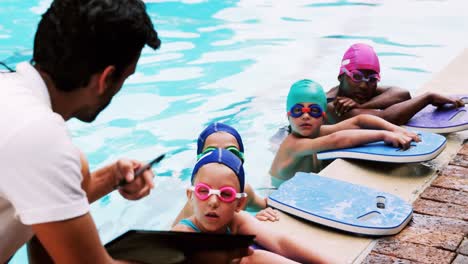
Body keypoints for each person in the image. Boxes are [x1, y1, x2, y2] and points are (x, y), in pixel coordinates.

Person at [0, 0, 161, 262]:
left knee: (78, 164)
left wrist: (111, 177)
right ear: (106, 79)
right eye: (125, 78)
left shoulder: (9, 91)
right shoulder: (38, 136)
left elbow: (50, 192)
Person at [173, 149, 328, 264]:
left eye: (226, 194)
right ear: (190, 196)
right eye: (203, 191)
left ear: (239, 204)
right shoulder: (182, 236)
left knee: (255, 257)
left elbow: (279, 242)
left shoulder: (235, 220)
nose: (213, 201)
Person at [270, 79, 420, 184]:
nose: (305, 116)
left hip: (303, 186)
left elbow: (359, 121)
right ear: (288, 117)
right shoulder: (292, 144)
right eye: (298, 111)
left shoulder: (318, 132)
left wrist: (395, 129)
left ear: (323, 117)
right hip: (278, 193)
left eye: (314, 111)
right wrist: (383, 135)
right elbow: (337, 139)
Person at [327, 43, 464, 125]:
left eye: (372, 79)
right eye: (356, 77)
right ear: (341, 76)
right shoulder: (332, 105)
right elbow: (385, 119)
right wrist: (428, 97)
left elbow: (402, 94)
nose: (364, 86)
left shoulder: (356, 94)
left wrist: (362, 105)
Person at [172, 122, 279, 226]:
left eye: (231, 152)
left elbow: (265, 205)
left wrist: (262, 216)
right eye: (211, 152)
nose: (221, 157)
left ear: (241, 159)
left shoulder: (245, 191)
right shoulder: (199, 205)